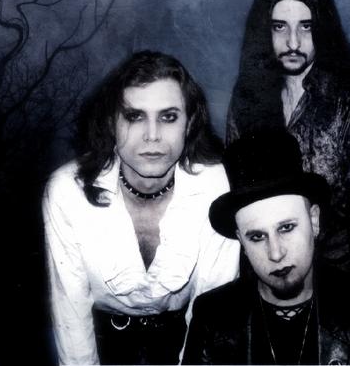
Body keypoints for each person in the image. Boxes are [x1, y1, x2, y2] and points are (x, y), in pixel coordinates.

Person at [43, 51, 240, 365]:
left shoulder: (215, 184)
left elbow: (213, 309)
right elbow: (71, 316)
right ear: (111, 122)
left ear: (189, 123)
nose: (152, 136)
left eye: (168, 117)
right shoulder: (67, 191)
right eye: (134, 117)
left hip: (186, 342)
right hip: (102, 344)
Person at [227, 0, 350, 269]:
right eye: (280, 26)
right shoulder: (246, 97)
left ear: (323, 28)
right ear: (264, 30)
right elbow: (238, 193)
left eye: (306, 26)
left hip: (337, 270)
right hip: (265, 264)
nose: (293, 42)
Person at [181, 130, 350, 365]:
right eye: (257, 237)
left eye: (286, 228)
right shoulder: (212, 317)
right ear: (241, 241)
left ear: (314, 221)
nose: (276, 253)